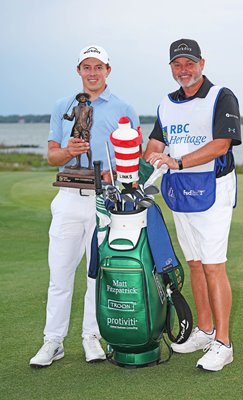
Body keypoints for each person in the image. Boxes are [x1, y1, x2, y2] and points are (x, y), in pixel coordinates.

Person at [29, 45, 139, 367]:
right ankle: (53, 341)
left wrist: (115, 173)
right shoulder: (63, 106)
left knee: (96, 274)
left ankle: (91, 336)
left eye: (99, 67)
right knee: (60, 274)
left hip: (103, 200)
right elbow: (52, 156)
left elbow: (132, 159)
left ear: (108, 70)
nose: (93, 73)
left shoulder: (124, 108)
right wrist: (67, 150)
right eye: (86, 67)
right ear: (78, 70)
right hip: (67, 199)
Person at [144, 38, 241, 372]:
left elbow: (221, 144)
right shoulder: (166, 104)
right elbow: (155, 144)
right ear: (170, 67)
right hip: (180, 191)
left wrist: (178, 161)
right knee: (195, 262)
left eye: (189, 63)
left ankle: (223, 343)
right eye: (177, 64)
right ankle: (204, 329)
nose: (183, 70)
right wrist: (153, 155)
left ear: (202, 62)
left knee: (214, 265)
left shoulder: (221, 96)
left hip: (212, 188)